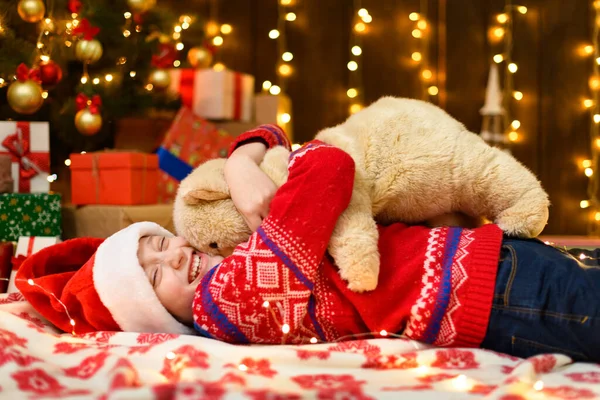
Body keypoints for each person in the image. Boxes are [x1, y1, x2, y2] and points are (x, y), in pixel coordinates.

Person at [15, 125, 600, 362]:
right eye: (154, 271)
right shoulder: (235, 300)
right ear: (148, 314)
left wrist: (250, 152)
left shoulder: (235, 277)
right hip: (495, 294)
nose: (174, 253)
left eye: (159, 242)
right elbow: (329, 168)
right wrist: (244, 165)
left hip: (489, 263)